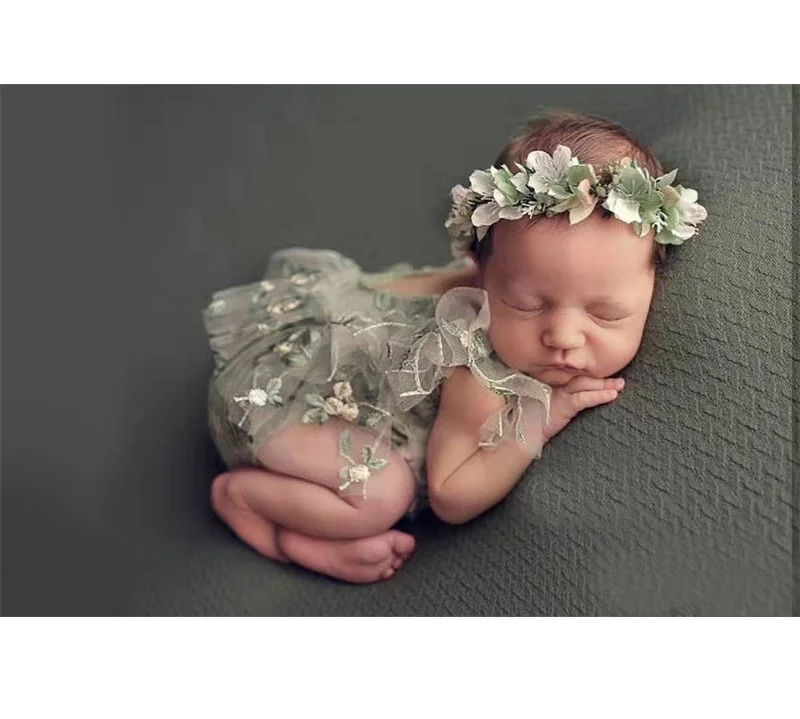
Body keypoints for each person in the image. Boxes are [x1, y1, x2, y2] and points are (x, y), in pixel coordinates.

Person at [203, 111, 707, 583]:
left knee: (381, 484)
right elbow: (451, 495)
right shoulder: (474, 367)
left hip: (325, 379)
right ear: (480, 273)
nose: (563, 337)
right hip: (282, 402)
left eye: (605, 313)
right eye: (527, 305)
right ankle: (249, 504)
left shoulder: (537, 278)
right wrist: (536, 419)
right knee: (383, 493)